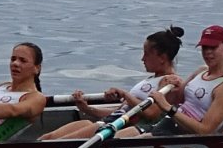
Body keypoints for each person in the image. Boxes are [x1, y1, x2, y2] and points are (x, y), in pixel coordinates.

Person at [47, 26, 184, 141]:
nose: (142, 59)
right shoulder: (149, 80)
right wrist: (86, 108)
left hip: (113, 129)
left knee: (56, 143)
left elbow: (150, 113)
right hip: (107, 122)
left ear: (162, 58)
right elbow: (119, 112)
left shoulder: (170, 84)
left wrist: (125, 94)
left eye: (147, 54)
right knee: (49, 137)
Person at [154, 25, 223, 136]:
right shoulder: (201, 71)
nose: (207, 52)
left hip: (182, 135)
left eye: (213, 47)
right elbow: (176, 99)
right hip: (169, 123)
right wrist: (166, 84)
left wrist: (167, 107)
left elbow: (205, 131)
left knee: (138, 137)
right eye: (205, 47)